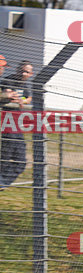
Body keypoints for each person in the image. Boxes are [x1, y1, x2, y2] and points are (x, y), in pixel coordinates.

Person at [1, 60, 32, 188]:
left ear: (30, 74)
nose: (23, 73)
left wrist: (22, 101)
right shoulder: (9, 80)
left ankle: (3, 183)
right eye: (21, 70)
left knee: (21, 161)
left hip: (18, 125)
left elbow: (28, 97)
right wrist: (15, 98)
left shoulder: (26, 85)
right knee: (5, 158)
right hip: (8, 123)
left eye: (26, 72)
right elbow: (9, 94)